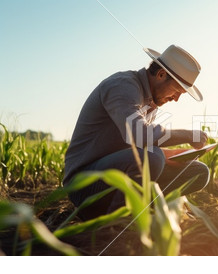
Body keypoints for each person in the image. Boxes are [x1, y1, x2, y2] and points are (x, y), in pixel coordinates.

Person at [63, 45, 210, 220]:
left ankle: (146, 209)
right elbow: (139, 134)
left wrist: (173, 155)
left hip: (116, 173)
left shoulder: (152, 102)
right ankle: (118, 221)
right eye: (177, 91)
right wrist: (188, 135)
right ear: (161, 75)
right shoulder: (123, 86)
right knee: (153, 157)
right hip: (84, 185)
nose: (176, 99)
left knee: (199, 172)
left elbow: (133, 146)